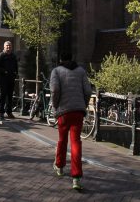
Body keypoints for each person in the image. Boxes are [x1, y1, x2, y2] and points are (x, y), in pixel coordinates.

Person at [49, 51, 92, 191]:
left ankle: (60, 167)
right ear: (72, 58)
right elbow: (88, 91)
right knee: (76, 142)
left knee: (62, 140)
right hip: (78, 111)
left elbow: (55, 90)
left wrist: (55, 106)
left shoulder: (56, 71)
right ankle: (76, 177)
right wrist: (83, 105)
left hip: (63, 112)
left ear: (61, 59)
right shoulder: (81, 71)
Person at [0, 41, 18, 119]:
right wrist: (4, 71)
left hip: (11, 78)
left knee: (10, 96)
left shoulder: (13, 56)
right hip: (3, 79)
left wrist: (15, 73)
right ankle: (1, 112)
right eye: (7, 46)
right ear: (4, 47)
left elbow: (16, 66)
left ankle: (9, 112)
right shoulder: (1, 55)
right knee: (3, 95)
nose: (8, 47)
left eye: (10, 46)